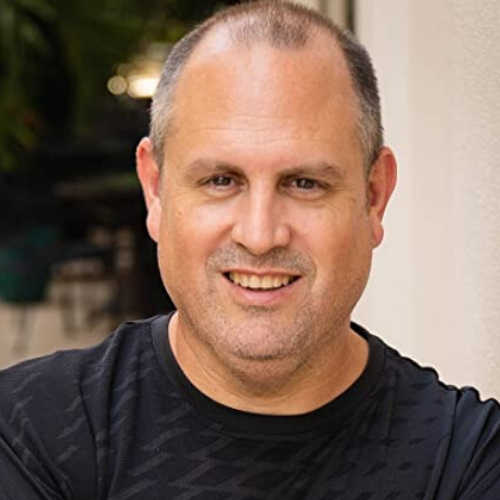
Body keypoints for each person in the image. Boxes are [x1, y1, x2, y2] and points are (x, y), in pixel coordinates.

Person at [1, 1, 499, 499]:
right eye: (221, 180)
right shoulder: (31, 433)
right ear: (155, 190)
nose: (260, 236)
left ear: (374, 197)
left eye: (304, 183)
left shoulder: (466, 459)